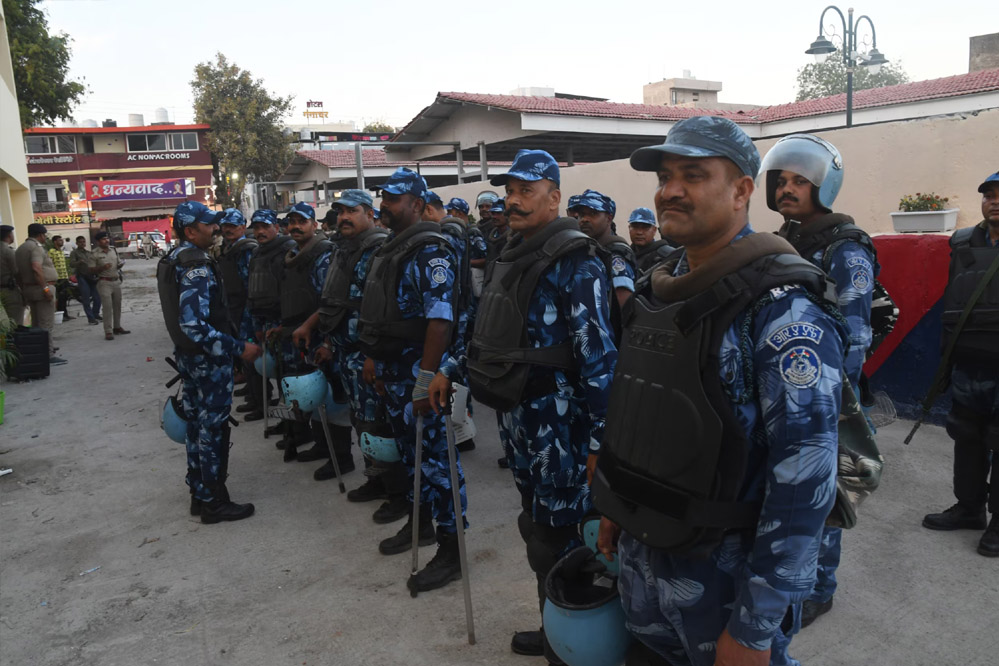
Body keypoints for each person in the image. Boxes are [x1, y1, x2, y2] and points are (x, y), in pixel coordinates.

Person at [594, 116, 849, 666]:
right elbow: (638, 407)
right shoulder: (657, 290)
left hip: (724, 582)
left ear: (741, 191)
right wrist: (618, 505)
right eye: (665, 176)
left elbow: (804, 480)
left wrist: (755, 625)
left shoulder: (783, 311)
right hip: (645, 555)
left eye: (693, 175)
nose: (670, 190)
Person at [459, 149, 618, 663]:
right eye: (510, 191)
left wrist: (601, 442)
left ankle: (576, 645)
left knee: (561, 537)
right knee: (536, 528)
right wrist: (450, 372)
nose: (513, 200)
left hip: (561, 425)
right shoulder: (513, 253)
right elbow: (494, 335)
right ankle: (556, 629)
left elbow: (599, 358)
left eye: (526, 191)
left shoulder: (578, 261)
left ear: (554, 198)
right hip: (519, 418)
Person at [760, 133, 877, 627]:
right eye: (781, 181)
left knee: (821, 494)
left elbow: (855, 335)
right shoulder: (783, 240)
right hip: (779, 392)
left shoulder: (845, 249)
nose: (787, 189)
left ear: (824, 187)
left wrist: (825, 404)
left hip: (823, 397)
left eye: (800, 181)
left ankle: (818, 589)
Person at [357, 167, 466, 594]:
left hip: (421, 378)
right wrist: (376, 360)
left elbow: (440, 322)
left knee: (438, 465)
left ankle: (453, 551)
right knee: (412, 459)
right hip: (394, 374)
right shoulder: (392, 248)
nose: (384, 204)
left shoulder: (431, 251)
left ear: (417, 204)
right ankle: (420, 525)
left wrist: (424, 380)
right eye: (383, 197)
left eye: (393, 198)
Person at [158, 201, 261, 523]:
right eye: (209, 224)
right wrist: (237, 348)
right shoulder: (196, 265)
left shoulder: (173, 258)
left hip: (189, 357)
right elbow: (193, 323)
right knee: (212, 428)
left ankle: (200, 494)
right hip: (207, 360)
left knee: (196, 425)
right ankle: (214, 502)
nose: (216, 228)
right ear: (190, 231)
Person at [922, 170, 999, 558]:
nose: (994, 201)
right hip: (968, 361)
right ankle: (969, 508)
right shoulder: (964, 243)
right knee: (966, 436)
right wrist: (946, 359)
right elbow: (954, 302)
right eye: (988, 194)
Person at [246, 209, 295, 431]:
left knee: (290, 379)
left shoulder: (287, 250)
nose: (260, 231)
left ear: (276, 227)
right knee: (278, 375)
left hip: (284, 324)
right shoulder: (257, 253)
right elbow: (253, 290)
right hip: (266, 323)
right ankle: (286, 424)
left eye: (265, 226)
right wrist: (257, 325)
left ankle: (296, 429)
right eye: (257, 227)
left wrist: (285, 325)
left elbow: (293, 290)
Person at [217, 209, 261, 419]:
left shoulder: (246, 250)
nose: (228, 230)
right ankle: (252, 392)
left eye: (233, 226)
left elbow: (250, 285)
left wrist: (249, 312)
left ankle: (260, 401)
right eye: (225, 226)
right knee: (242, 354)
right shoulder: (229, 249)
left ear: (243, 227)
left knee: (250, 354)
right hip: (234, 307)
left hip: (246, 309)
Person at [573, 189, 636, 308]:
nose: (585, 219)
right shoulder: (588, 249)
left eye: (593, 214)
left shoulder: (615, 255)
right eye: (582, 214)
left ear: (609, 218)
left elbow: (623, 305)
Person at [15, 223, 66, 363]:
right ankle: (48, 355)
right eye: (45, 235)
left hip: (29, 289)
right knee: (46, 323)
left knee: (36, 323)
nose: (46, 238)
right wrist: (46, 289)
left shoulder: (21, 249)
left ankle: (39, 350)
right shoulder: (36, 247)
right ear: (41, 235)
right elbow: (36, 268)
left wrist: (22, 290)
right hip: (42, 289)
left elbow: (17, 274)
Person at [90, 231, 130, 341]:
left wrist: (120, 265)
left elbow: (117, 264)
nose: (106, 241)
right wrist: (102, 268)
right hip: (104, 282)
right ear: (98, 242)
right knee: (107, 307)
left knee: (117, 306)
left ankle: (117, 327)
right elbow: (91, 270)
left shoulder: (113, 250)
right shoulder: (94, 253)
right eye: (103, 239)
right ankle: (108, 331)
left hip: (116, 281)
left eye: (107, 238)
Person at [629, 206, 676, 273]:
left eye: (645, 227)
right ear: (629, 228)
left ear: (654, 230)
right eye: (635, 227)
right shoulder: (626, 254)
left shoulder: (668, 255)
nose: (639, 232)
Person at [69, 236, 101, 325]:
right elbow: (71, 264)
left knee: (97, 298)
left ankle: (96, 314)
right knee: (86, 298)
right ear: (77, 243)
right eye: (80, 242)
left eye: (83, 242)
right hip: (82, 276)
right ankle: (91, 318)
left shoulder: (88, 253)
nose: (82, 243)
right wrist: (79, 262)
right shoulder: (74, 253)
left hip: (91, 276)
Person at [1, 225, 24, 327]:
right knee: (15, 321)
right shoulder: (8, 251)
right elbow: (17, 273)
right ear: (9, 235)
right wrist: (23, 291)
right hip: (9, 290)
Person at [47, 236, 74, 320]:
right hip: (57, 278)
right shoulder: (52, 251)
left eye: (62, 240)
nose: (62, 241)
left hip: (64, 277)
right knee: (60, 297)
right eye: (60, 240)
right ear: (55, 242)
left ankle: (65, 314)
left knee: (65, 296)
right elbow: (49, 264)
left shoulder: (61, 251)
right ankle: (61, 314)